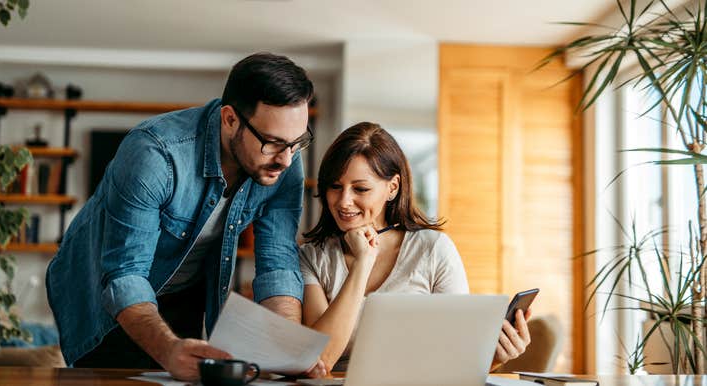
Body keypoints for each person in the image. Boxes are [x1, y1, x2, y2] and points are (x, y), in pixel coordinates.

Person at [46, 52, 322, 380]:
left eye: (297, 143)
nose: (287, 160)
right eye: (273, 143)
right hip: (104, 294)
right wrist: (166, 349)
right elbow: (125, 273)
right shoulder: (154, 154)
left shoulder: (284, 160)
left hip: (185, 291)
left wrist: (287, 346)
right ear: (230, 119)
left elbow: (278, 262)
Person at [300, 122, 532, 374]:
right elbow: (320, 361)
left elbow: (457, 357)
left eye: (360, 189)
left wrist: (494, 358)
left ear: (393, 187)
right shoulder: (311, 257)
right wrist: (363, 263)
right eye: (335, 186)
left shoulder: (433, 250)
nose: (344, 201)